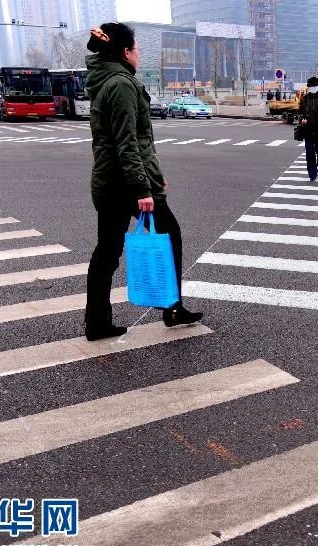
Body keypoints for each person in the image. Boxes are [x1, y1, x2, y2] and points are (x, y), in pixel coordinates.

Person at [84, 22, 202, 341]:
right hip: (126, 185)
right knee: (170, 234)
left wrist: (154, 179)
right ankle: (172, 308)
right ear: (125, 52)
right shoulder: (122, 84)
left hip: (109, 182)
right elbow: (129, 143)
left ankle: (96, 323)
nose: (138, 55)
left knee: (106, 253)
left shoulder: (104, 80)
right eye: (136, 49)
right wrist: (142, 188)